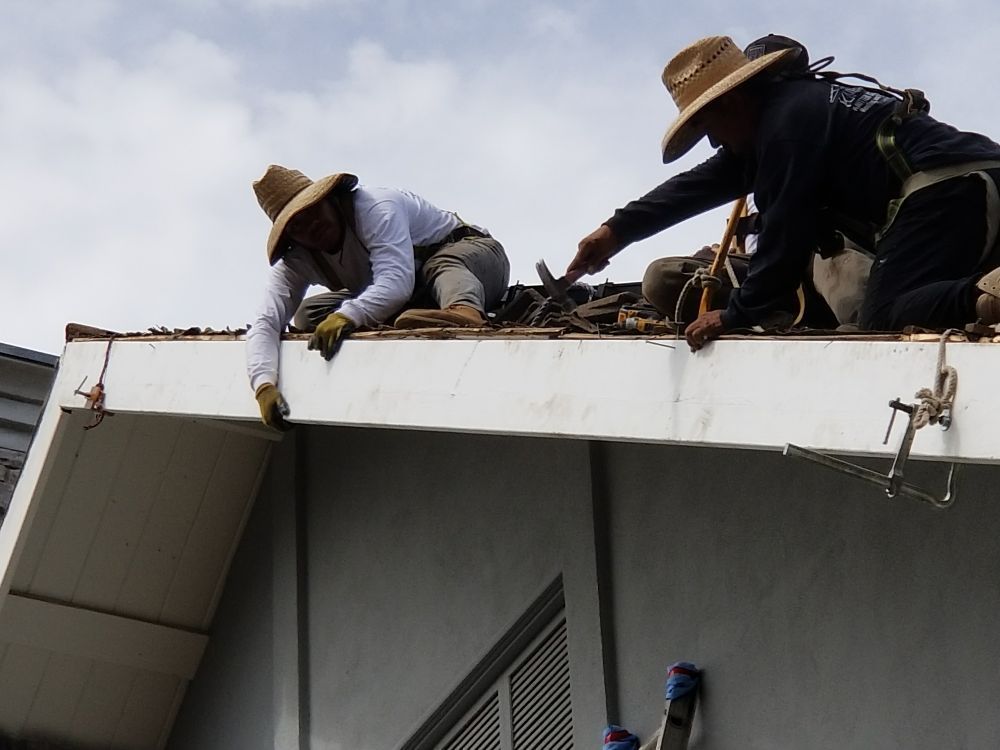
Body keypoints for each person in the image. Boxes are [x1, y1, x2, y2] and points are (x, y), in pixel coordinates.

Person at [570, 35, 1000, 350]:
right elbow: (699, 184)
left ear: (732, 104)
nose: (715, 144)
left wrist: (736, 312)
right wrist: (617, 230)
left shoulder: (785, 132)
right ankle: (982, 294)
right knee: (919, 294)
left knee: (885, 317)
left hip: (947, 191)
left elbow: (785, 239)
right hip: (977, 181)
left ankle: (984, 295)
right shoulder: (792, 110)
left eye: (708, 129)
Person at [247, 164, 510, 429]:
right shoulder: (297, 260)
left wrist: (347, 315)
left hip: (475, 263)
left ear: (329, 200)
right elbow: (266, 321)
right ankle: (420, 316)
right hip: (414, 301)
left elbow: (396, 281)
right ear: (291, 236)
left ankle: (464, 313)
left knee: (437, 266)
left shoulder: (375, 207)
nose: (311, 227)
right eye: (297, 226)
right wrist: (264, 385)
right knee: (307, 315)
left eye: (313, 212)